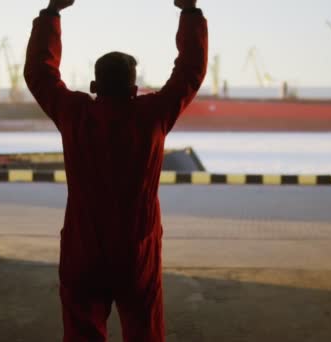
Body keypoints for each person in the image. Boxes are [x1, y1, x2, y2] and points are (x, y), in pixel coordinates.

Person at [24, 0, 207, 340]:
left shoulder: (75, 115)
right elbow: (190, 72)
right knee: (144, 332)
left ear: (94, 87)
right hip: (136, 250)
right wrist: (190, 12)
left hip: (83, 247)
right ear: (135, 88)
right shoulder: (153, 116)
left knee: (82, 331)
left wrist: (52, 11)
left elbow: (39, 73)